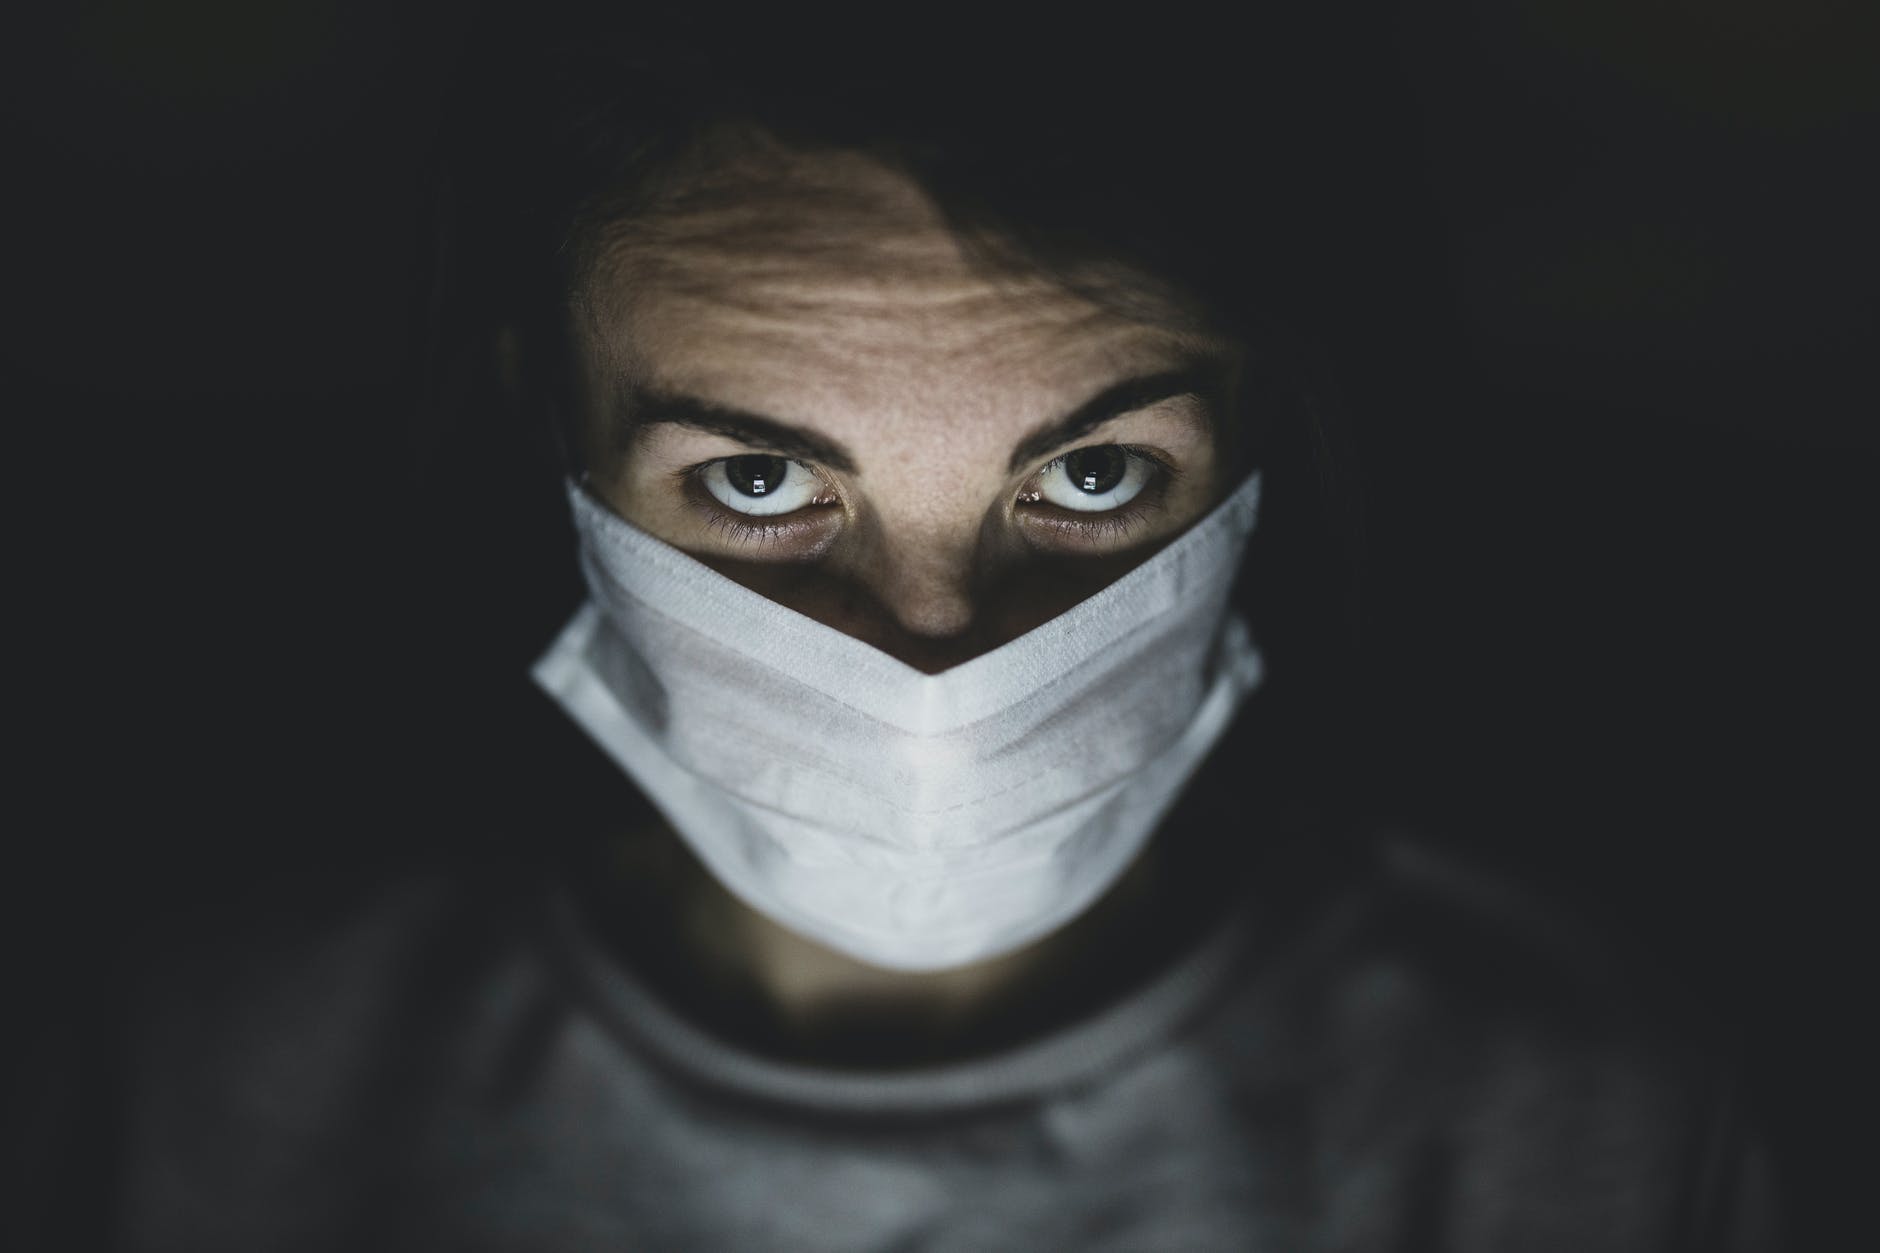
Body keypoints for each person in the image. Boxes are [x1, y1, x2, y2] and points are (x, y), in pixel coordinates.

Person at [19, 5, 1779, 1250]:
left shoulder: (1588, 1124)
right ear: (548, 430)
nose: (935, 653)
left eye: (1094, 473)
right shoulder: (204, 1085)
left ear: (1261, 446)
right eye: (761, 487)